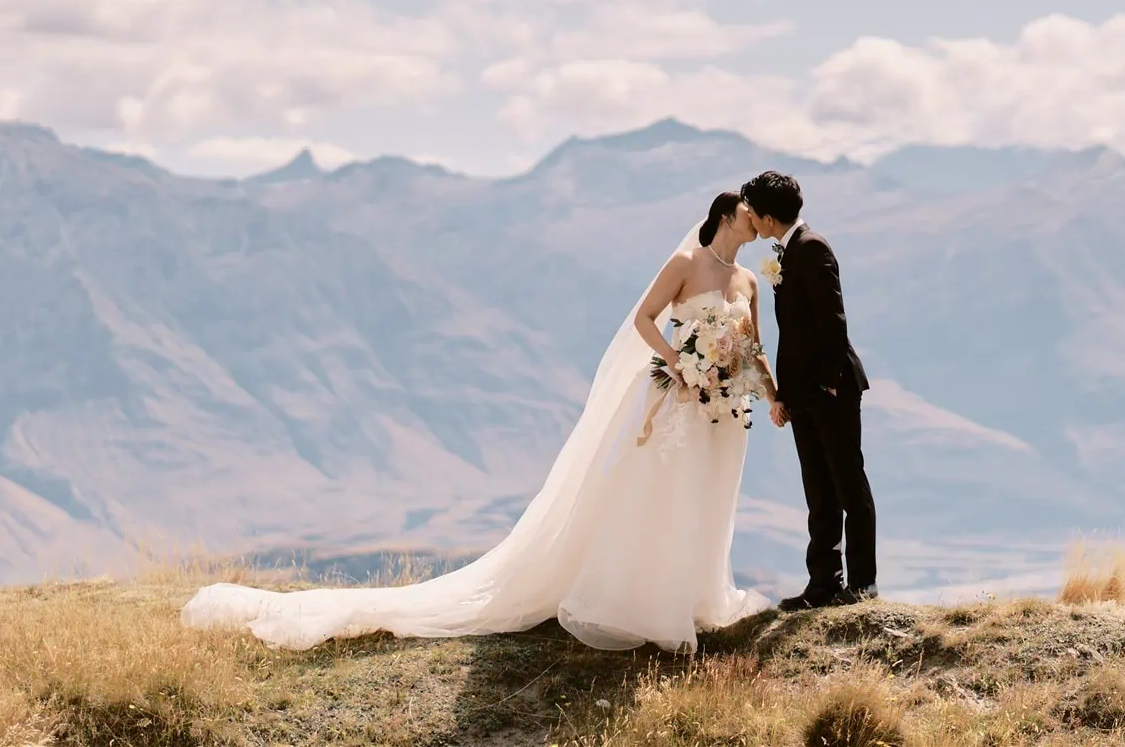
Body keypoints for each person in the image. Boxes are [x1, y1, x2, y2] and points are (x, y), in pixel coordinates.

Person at [180, 191, 776, 652]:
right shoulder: (684, 262)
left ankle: (697, 596)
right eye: (753, 217)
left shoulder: (749, 281)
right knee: (661, 495)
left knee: (705, 497)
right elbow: (646, 321)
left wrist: (768, 395)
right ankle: (646, 601)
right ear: (731, 215)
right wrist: (680, 361)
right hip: (677, 404)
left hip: (724, 411)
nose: (758, 227)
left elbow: (752, 348)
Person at [740, 169, 877, 608]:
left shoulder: (812, 248)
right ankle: (823, 585)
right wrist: (786, 395)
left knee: (848, 486)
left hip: (832, 389)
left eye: (754, 214)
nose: (751, 222)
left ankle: (862, 585)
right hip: (804, 394)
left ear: (766, 216)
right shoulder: (790, 251)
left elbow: (833, 324)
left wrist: (827, 385)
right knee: (818, 491)